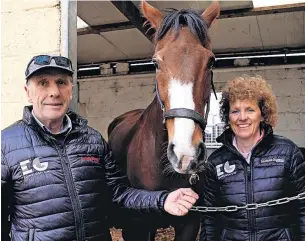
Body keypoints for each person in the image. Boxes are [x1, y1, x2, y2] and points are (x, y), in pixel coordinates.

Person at [1, 55, 199, 241]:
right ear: (28, 92)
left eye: (61, 82)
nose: (54, 92)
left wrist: (163, 200)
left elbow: (119, 194)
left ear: (71, 89)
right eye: (43, 83)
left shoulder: (93, 140)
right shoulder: (6, 145)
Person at [200, 75, 305, 241]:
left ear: (262, 115)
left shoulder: (287, 153)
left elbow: (302, 209)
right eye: (235, 111)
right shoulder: (216, 162)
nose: (242, 117)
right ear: (228, 117)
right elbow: (209, 220)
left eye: (250, 109)